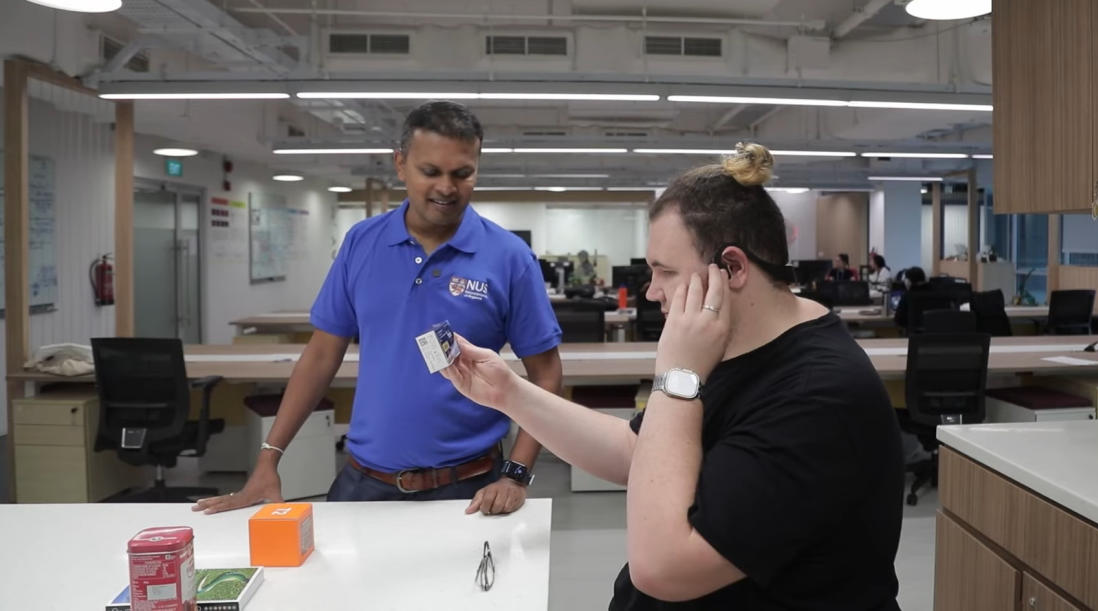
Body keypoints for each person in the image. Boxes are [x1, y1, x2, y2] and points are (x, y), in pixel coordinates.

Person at [440, 143, 904, 609]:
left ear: (734, 268)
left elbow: (663, 569)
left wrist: (677, 376)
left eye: (664, 271)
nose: (651, 290)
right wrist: (509, 393)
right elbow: (635, 453)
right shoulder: (733, 345)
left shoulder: (819, 396)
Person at [193, 101, 564, 516]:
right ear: (401, 164)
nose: (447, 187)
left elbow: (546, 373)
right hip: (363, 483)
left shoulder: (509, 257)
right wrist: (269, 458)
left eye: (462, 173)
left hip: (468, 489)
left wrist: (515, 474)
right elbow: (319, 356)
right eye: (431, 172)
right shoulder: (361, 242)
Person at [893, 265, 929, 330]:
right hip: (937, 337)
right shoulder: (936, 293)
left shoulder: (907, 296)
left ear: (908, 282)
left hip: (914, 337)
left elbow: (898, 320)